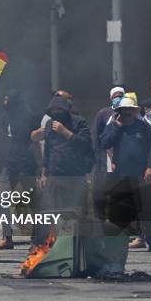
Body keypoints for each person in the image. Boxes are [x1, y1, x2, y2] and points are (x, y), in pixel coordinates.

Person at [100, 97, 151, 247]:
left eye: (129, 111)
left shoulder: (143, 127)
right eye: (123, 111)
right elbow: (105, 143)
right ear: (119, 112)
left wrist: (150, 167)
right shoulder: (113, 127)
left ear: (134, 111)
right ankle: (119, 243)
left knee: (146, 208)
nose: (127, 114)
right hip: (121, 175)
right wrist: (117, 128)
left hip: (141, 173)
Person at [38, 95, 93, 245]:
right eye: (53, 110)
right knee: (55, 211)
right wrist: (44, 173)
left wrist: (65, 132)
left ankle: (79, 244)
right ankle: (56, 244)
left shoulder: (78, 122)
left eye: (59, 109)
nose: (57, 113)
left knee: (77, 211)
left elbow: (85, 145)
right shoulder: (50, 124)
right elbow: (48, 150)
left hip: (75, 175)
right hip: (55, 175)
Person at [0, 90, 39, 250]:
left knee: (32, 201)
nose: (5, 103)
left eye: (7, 100)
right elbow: (4, 138)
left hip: (26, 164)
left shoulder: (29, 116)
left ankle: (37, 239)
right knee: (2, 199)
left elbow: (36, 139)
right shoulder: (5, 118)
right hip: (9, 164)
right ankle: (7, 237)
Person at [91, 87, 125, 222]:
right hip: (105, 158)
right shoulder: (103, 113)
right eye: (116, 96)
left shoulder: (128, 112)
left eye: (121, 95)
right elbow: (96, 135)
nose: (118, 98)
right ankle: (100, 222)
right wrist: (97, 155)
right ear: (111, 98)